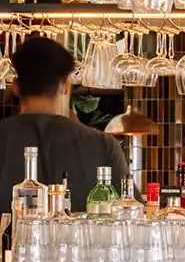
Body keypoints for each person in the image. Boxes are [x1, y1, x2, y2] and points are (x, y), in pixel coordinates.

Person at [0, 34, 127, 216]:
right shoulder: (103, 144)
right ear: (66, 86)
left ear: (16, 86)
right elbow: (131, 213)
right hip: (83, 244)